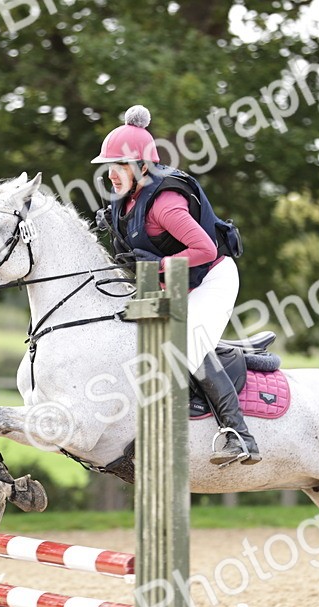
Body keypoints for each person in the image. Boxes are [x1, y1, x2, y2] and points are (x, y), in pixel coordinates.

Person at [91, 105, 259, 466]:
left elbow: (204, 248)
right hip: (174, 284)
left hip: (210, 278)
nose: (111, 175)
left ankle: (239, 435)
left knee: (185, 347)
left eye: (118, 166)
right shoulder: (129, 198)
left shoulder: (165, 203)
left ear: (141, 167)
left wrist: (161, 264)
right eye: (109, 167)